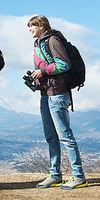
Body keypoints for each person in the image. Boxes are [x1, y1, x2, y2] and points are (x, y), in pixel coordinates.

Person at [27, 15, 88, 190]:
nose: (30, 29)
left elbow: (64, 64)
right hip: (45, 94)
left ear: (41, 25)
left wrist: (43, 72)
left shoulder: (52, 40)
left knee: (65, 136)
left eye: (31, 26)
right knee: (51, 136)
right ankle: (55, 175)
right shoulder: (39, 43)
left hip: (58, 94)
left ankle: (79, 176)